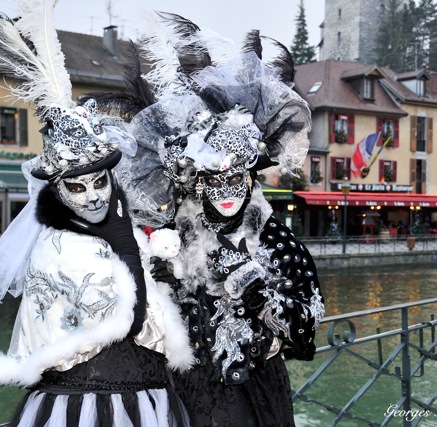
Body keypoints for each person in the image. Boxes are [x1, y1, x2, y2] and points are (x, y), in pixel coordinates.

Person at [0, 4, 192, 426]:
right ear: (57, 189)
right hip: (87, 406)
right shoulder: (60, 245)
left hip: (146, 399)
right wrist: (130, 247)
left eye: (99, 182)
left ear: (111, 176)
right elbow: (132, 319)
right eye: (76, 187)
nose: (91, 198)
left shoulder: (115, 228)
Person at [88, 13, 325, 426]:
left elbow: (306, 325)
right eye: (215, 180)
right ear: (196, 183)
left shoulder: (272, 237)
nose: (228, 191)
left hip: (255, 397)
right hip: (183, 398)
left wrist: (260, 297)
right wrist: (156, 287)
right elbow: (141, 325)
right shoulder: (173, 237)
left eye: (237, 179)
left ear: (250, 178)